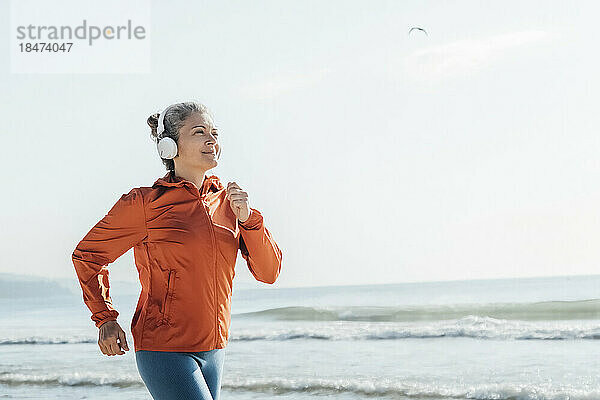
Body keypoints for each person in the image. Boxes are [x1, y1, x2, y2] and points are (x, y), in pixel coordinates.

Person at [71, 101, 283, 400]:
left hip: (215, 350)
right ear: (170, 147)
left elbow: (269, 272)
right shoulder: (145, 204)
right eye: (199, 132)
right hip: (165, 349)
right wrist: (105, 318)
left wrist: (249, 220)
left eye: (215, 133)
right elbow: (87, 256)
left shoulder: (229, 204)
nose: (212, 140)